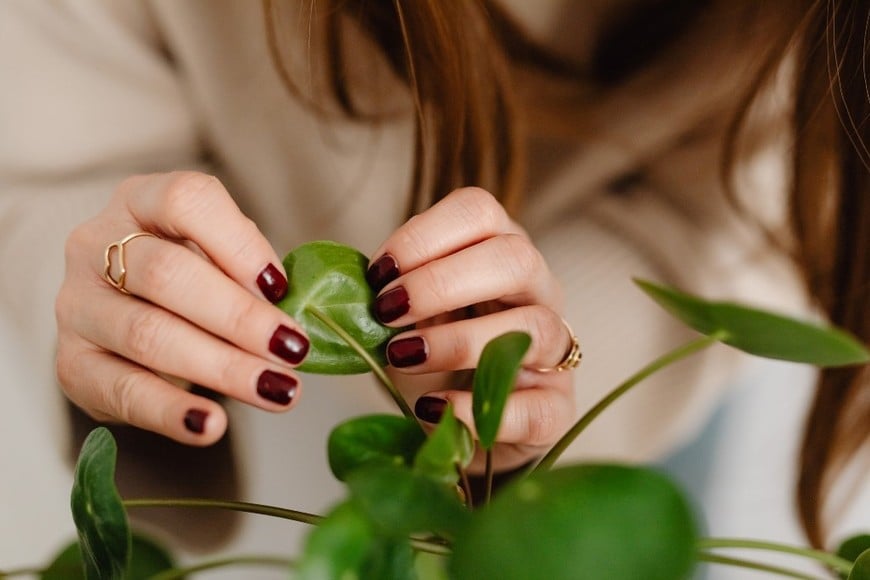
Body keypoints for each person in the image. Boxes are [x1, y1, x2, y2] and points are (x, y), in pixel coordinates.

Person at [0, 0, 866, 571]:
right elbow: (50, 154)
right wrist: (117, 280)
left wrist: (556, 356)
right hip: (290, 428)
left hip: (624, 409)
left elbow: (751, 209)